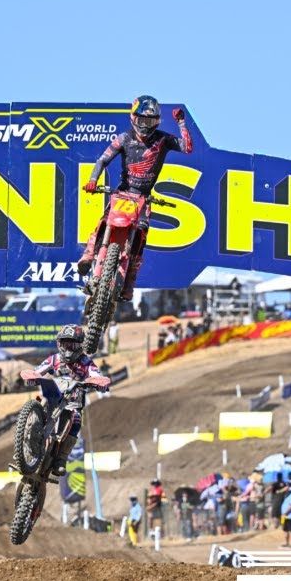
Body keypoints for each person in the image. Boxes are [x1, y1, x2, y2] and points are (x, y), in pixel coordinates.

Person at [78, 96, 193, 301]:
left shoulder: (163, 140)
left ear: (157, 122)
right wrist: (93, 180)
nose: (145, 126)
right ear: (133, 118)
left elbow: (187, 147)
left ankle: (129, 284)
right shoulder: (124, 138)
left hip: (144, 199)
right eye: (142, 120)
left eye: (150, 121)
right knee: (103, 222)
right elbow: (102, 160)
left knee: (140, 240)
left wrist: (182, 123)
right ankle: (88, 255)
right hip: (123, 193)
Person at [26, 324, 109, 476]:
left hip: (73, 400)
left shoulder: (86, 362)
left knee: (76, 420)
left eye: (72, 345)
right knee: (38, 403)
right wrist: (32, 376)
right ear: (59, 344)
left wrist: (100, 383)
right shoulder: (55, 359)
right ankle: (26, 434)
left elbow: (96, 375)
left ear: (80, 345)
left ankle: (61, 459)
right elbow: (38, 370)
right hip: (53, 394)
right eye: (65, 344)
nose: (68, 349)